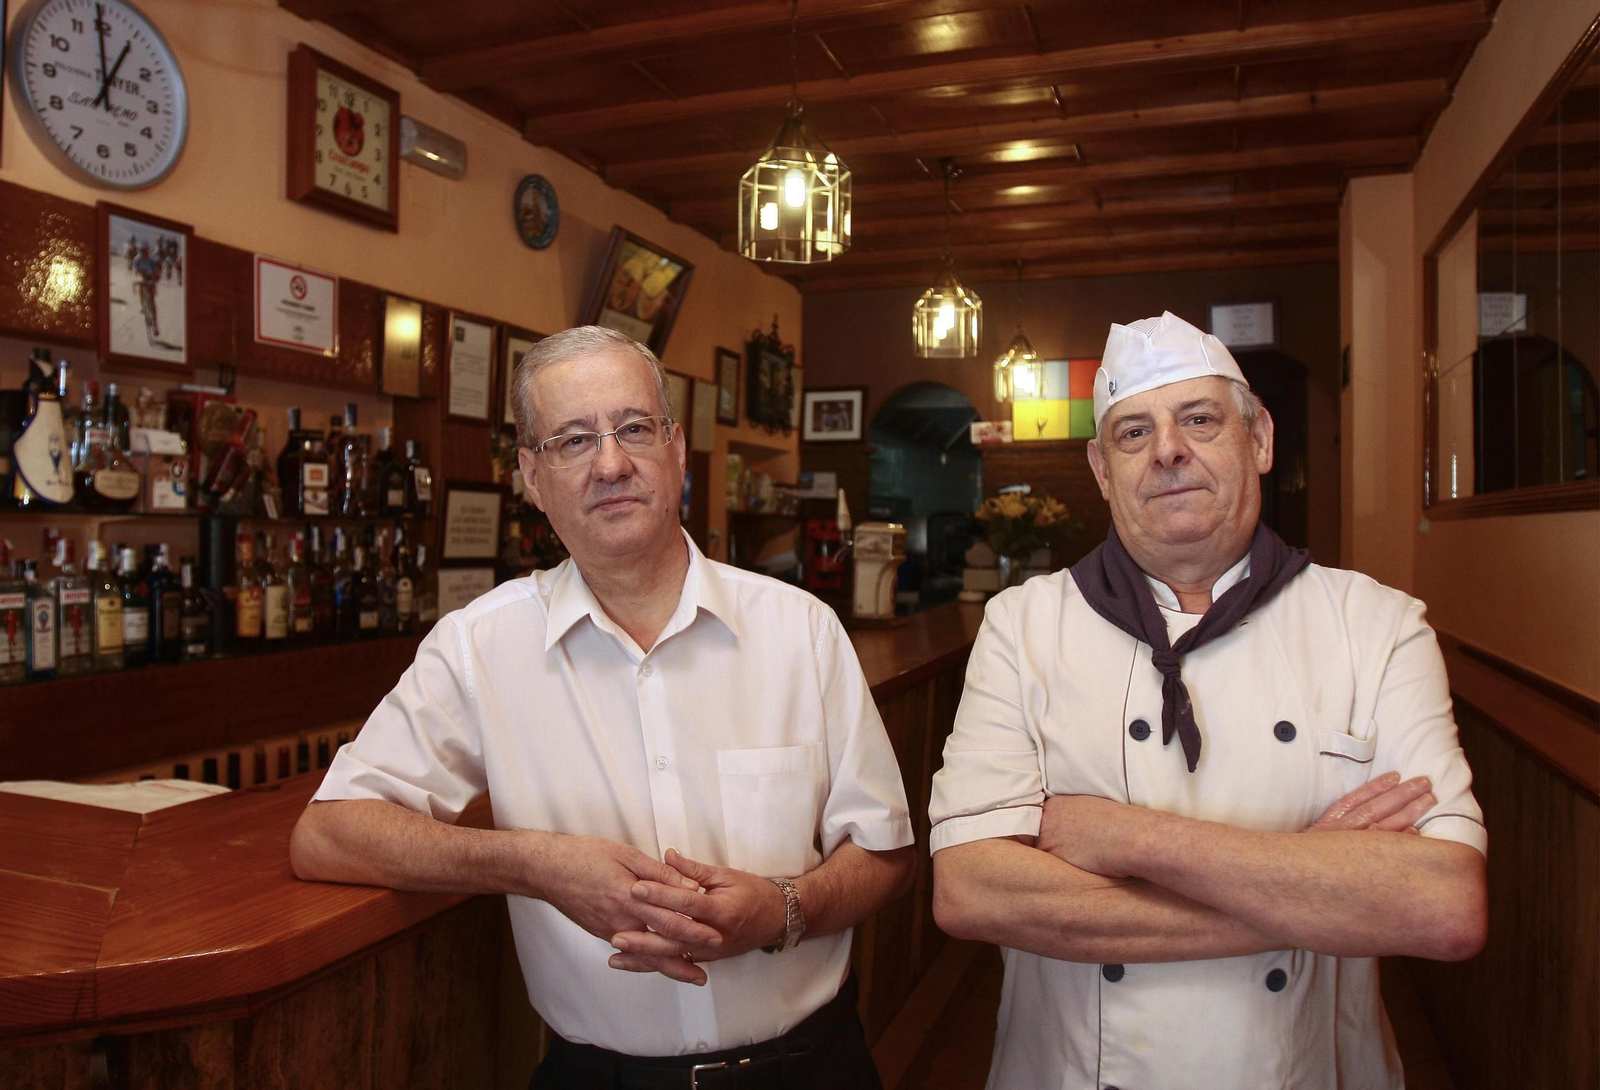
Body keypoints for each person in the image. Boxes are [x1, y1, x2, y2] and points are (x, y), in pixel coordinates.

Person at [290, 325, 914, 1090]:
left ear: (676, 448)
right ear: (530, 473)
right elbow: (327, 834)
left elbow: (885, 855)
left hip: (811, 1068)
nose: (611, 464)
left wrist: (783, 908)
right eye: (572, 440)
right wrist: (536, 863)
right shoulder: (477, 646)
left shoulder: (800, 631)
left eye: (633, 429)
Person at [928, 311, 1487, 1090]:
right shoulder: (1022, 627)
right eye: (1132, 433)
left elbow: (1442, 908)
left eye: (1198, 419)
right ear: (1101, 468)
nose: (1167, 451)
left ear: (1258, 441)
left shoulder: (1376, 624)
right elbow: (970, 891)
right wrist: (1313, 888)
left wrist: (1122, 838)